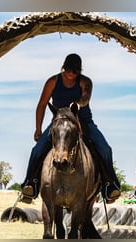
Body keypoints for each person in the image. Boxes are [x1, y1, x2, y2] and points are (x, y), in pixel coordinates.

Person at [20, 53, 121, 204]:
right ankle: (30, 184)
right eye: (68, 70)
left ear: (79, 71)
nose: (71, 74)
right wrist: (38, 128)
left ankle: (109, 185)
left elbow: (86, 98)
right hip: (59, 123)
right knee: (38, 149)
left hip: (83, 121)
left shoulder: (85, 82)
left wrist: (78, 105)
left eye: (74, 72)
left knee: (105, 149)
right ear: (64, 68)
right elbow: (42, 104)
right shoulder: (53, 81)